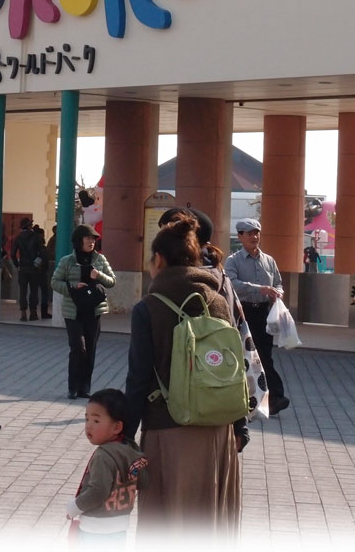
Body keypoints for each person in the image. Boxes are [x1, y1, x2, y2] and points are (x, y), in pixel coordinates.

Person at [124, 219, 248, 537]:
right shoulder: (218, 301)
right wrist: (240, 426)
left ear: (159, 259)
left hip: (168, 430)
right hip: (218, 430)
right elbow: (236, 366)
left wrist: (124, 436)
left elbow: (138, 378)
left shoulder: (148, 308)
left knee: (166, 525)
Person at [225, 218, 290, 416]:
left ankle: (275, 398)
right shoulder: (233, 260)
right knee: (243, 356)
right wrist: (260, 289)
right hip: (242, 313)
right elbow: (231, 284)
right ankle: (241, 398)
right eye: (249, 233)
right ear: (240, 236)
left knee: (264, 356)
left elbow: (278, 282)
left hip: (263, 313)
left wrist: (278, 292)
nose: (254, 237)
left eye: (256, 233)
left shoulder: (269, 260)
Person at [65, 388, 148, 544]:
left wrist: (74, 507)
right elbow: (143, 481)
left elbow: (97, 492)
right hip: (119, 527)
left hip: (95, 530)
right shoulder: (131, 450)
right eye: (87, 419)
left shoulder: (103, 456)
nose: (89, 426)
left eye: (96, 421)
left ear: (117, 427)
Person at [51, 224, 116, 400]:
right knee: (78, 349)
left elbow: (112, 281)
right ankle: (72, 387)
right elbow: (55, 282)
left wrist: (99, 275)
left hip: (93, 311)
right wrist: (73, 286)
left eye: (94, 239)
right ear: (79, 240)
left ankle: (85, 387)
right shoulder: (67, 261)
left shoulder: (100, 260)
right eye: (88, 238)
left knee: (91, 351)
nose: (91, 242)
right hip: (73, 312)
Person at [11, 217, 43, 321]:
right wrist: (37, 263)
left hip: (23, 267)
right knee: (34, 291)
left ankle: (23, 313)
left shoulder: (18, 238)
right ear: (29, 226)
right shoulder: (36, 237)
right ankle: (33, 313)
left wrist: (17, 265)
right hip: (34, 268)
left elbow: (13, 254)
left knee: (23, 291)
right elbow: (42, 253)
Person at [33, 226, 53, 318]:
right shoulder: (42, 247)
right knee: (44, 292)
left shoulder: (32, 246)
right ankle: (43, 312)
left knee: (34, 292)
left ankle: (33, 312)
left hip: (34, 272)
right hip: (42, 272)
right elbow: (45, 258)